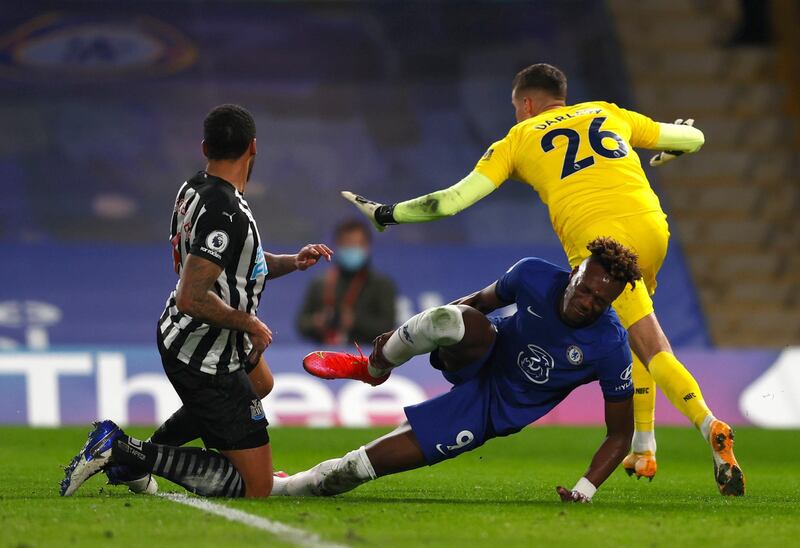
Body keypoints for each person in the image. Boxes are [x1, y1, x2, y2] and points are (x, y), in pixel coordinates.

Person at [340, 63, 744, 495]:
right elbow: (695, 138)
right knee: (636, 335)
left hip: (600, 242)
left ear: (526, 103)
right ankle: (644, 447)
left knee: (649, 343)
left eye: (517, 109)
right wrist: (673, 151)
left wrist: (387, 214)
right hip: (651, 228)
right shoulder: (607, 112)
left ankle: (706, 422)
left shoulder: (519, 138)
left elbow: (449, 203)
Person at [60, 104, 333, 499]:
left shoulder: (196, 188)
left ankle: (132, 461)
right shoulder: (227, 212)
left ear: (205, 146)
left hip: (189, 335)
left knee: (262, 383)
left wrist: (292, 261)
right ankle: (120, 449)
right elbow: (192, 296)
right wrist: (249, 322)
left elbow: (241, 263)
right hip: (207, 353)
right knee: (257, 487)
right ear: (253, 147)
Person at [283, 238, 638, 503]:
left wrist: (585, 489)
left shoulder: (610, 345)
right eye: (585, 289)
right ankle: (374, 368)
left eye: (600, 301)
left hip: (492, 410)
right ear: (575, 272)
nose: (588, 302)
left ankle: (282, 486)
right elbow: (476, 303)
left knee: (354, 470)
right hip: (484, 349)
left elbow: (620, 434)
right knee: (449, 318)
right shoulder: (534, 275)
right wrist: (404, 334)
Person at [296, 218, 396, 346]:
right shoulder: (321, 283)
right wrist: (317, 322)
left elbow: (388, 326)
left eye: (357, 244)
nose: (352, 248)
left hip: (367, 355)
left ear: (367, 246)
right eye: (347, 243)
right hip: (326, 356)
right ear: (336, 245)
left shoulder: (381, 285)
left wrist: (355, 321)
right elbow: (301, 323)